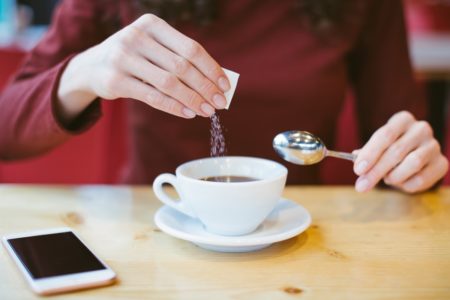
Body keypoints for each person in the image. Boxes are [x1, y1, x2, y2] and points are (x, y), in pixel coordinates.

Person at [0, 0, 447, 193]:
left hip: (299, 233)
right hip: (151, 228)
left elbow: (393, 139)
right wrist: (84, 72)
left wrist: (409, 160)